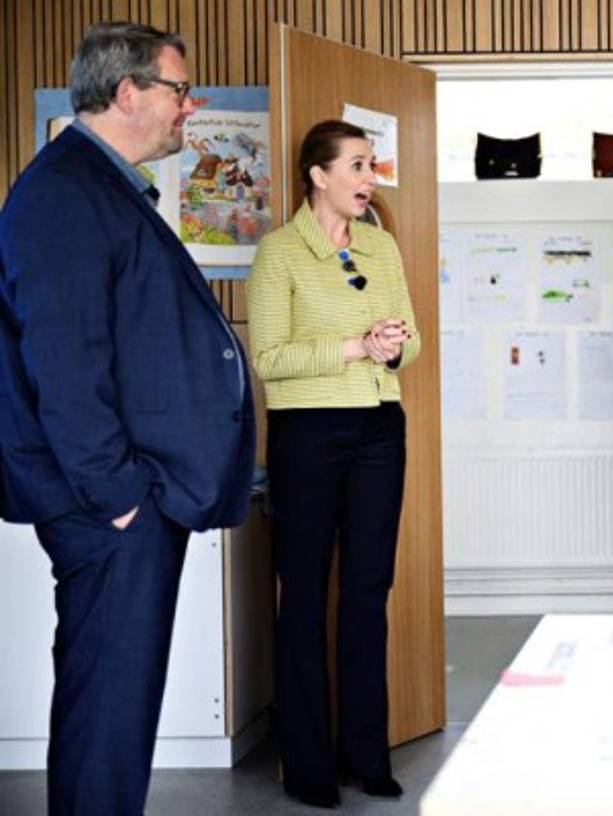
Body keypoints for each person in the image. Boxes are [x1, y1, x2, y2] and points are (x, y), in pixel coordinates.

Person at [0, 22, 255, 815]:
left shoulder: (95, 185)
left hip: (121, 499)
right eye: (181, 91)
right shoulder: (65, 193)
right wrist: (117, 497)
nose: (192, 107)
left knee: (116, 702)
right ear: (128, 93)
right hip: (107, 506)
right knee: (109, 706)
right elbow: (66, 363)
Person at [247, 120, 420, 809]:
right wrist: (353, 346)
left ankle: (366, 755)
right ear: (318, 175)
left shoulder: (381, 245)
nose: (369, 177)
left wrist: (391, 344)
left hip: (381, 427)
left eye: (371, 165)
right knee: (306, 598)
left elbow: (412, 338)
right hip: (308, 435)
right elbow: (270, 359)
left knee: (367, 592)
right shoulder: (279, 254)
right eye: (356, 165)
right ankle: (309, 764)